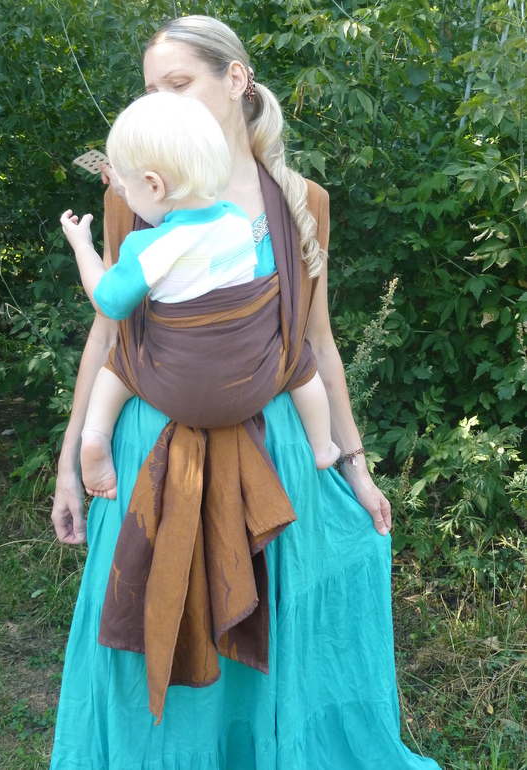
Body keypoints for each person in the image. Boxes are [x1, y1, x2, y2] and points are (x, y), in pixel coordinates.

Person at [50, 14, 441, 770]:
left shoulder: (301, 201)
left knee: (265, 640)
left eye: (179, 84)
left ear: (236, 79)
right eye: (151, 91)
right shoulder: (139, 194)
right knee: (149, 633)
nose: (162, 104)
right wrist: (73, 460)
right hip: (148, 455)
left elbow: (317, 343)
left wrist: (354, 466)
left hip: (273, 454)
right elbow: (107, 336)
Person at [60, 92, 340, 499]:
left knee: (118, 366)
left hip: (174, 389)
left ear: (154, 184)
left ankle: (95, 437)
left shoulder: (148, 246)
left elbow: (109, 301)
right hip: (251, 386)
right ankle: (322, 444)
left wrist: (83, 246)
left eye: (131, 190)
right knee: (300, 364)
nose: (126, 199)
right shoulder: (237, 222)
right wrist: (131, 186)